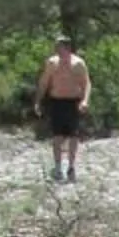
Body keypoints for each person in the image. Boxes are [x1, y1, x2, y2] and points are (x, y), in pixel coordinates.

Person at [34, 36, 91, 182]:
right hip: (57, 101)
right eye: (56, 48)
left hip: (73, 102)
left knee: (73, 135)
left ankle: (71, 167)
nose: (57, 51)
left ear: (68, 49)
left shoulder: (78, 64)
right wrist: (38, 101)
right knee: (57, 136)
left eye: (60, 48)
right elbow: (44, 83)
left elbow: (86, 83)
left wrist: (85, 100)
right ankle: (58, 167)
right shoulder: (52, 63)